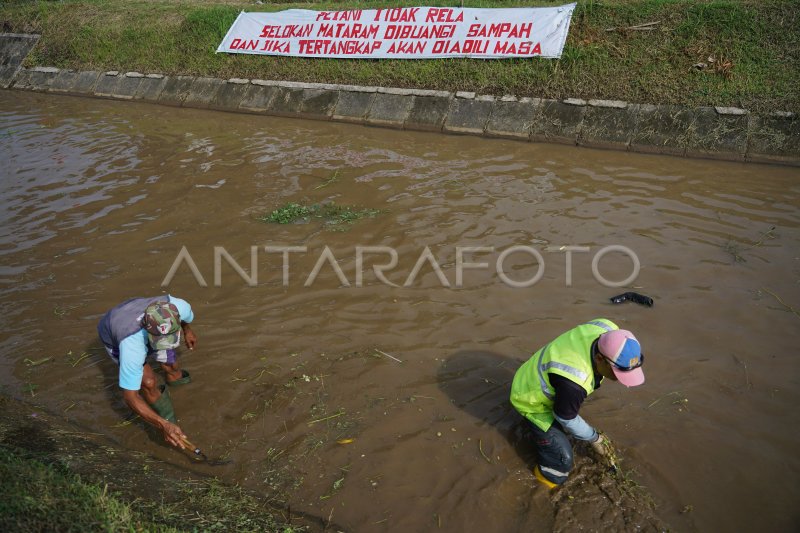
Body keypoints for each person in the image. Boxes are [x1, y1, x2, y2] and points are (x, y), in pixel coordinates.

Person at [510, 318, 645, 488]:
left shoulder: (607, 328)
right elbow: (565, 417)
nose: (619, 380)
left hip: (536, 371)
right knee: (561, 460)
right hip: (529, 398)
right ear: (599, 358)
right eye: (616, 372)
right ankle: (544, 486)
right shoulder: (575, 382)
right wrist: (595, 439)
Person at [97, 295, 197, 449]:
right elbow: (131, 397)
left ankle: (184, 395)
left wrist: (187, 330)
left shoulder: (180, 307)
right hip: (117, 329)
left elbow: (184, 320)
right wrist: (163, 424)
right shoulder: (130, 344)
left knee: (172, 366)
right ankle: (169, 422)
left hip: (139, 312)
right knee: (148, 382)